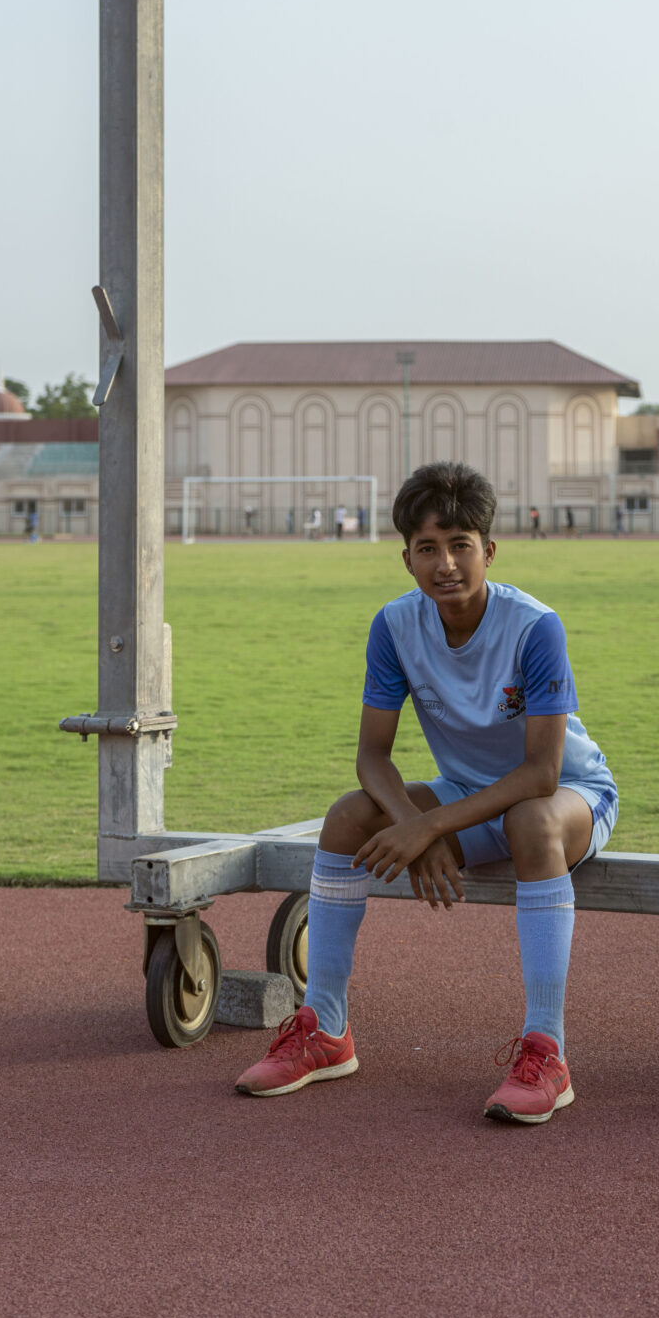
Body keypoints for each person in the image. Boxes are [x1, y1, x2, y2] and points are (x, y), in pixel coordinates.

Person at [236, 460, 618, 1124]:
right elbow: (371, 757)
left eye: (460, 545)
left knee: (530, 822)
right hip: (467, 791)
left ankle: (546, 1053)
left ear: (488, 551)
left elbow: (541, 775)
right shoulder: (393, 626)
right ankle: (324, 1029)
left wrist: (428, 829)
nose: (445, 563)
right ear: (405, 558)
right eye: (426, 549)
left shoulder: (535, 627)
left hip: (568, 796)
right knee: (346, 818)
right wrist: (415, 819)